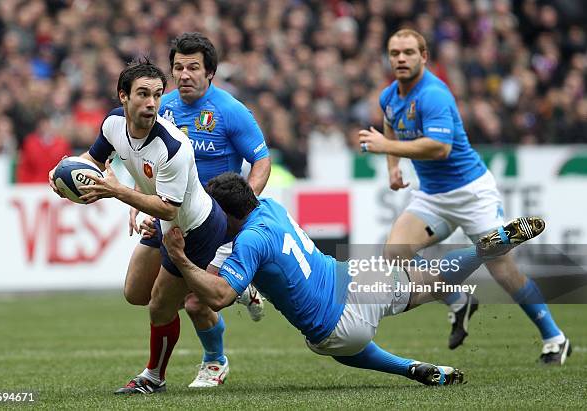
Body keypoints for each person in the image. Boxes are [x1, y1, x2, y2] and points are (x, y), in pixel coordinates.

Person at [161, 172, 546, 385]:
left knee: (334, 347)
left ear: (227, 214)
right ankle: (483, 249)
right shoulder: (270, 207)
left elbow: (220, 296)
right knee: (428, 280)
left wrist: (180, 257)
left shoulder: (249, 242)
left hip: (338, 325)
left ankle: (410, 368)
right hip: (354, 277)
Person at [357, 29, 570, 364]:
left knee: (503, 269)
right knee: (395, 253)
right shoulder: (390, 96)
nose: (400, 58)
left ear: (424, 57)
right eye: (395, 52)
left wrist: (387, 148)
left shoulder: (434, 95)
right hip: (432, 196)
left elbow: (440, 149)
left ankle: (554, 337)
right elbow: (389, 125)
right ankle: (458, 298)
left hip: (472, 192)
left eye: (408, 52)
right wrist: (392, 166)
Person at [48, 59, 230, 395]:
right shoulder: (113, 124)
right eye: (143, 94)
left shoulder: (172, 147)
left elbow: (168, 206)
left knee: (160, 304)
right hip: (164, 224)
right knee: (135, 293)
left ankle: (154, 376)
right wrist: (62, 171)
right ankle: (210, 287)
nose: (151, 103)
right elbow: (94, 160)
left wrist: (119, 192)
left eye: (158, 95)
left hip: (194, 229)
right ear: (123, 96)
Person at [124, 32, 271, 388]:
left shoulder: (231, 111)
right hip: (170, 219)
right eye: (178, 67)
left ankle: (214, 362)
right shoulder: (162, 107)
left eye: (193, 67)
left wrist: (240, 210)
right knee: (136, 293)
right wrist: (136, 198)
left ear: (210, 73)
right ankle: (241, 287)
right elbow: (145, 159)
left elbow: (261, 161)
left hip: (214, 225)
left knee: (193, 301)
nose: (184, 74)